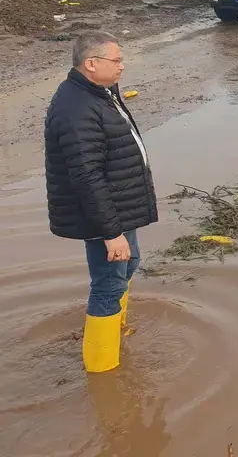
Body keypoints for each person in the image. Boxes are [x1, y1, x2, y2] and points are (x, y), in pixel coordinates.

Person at [45, 31, 158, 373]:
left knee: (130, 263)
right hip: (100, 214)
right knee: (108, 283)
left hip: (118, 206)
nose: (123, 66)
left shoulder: (98, 92)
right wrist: (111, 233)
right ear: (91, 64)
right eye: (117, 60)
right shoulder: (76, 109)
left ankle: (115, 328)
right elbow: (86, 177)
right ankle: (102, 368)